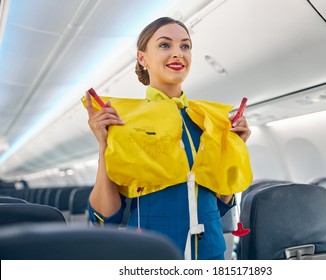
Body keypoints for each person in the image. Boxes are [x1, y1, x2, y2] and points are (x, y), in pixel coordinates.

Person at [84, 17, 252, 260]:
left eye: (185, 46)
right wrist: (104, 145)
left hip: (210, 253)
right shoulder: (125, 121)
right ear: (142, 58)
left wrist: (234, 147)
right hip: (152, 255)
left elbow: (219, 204)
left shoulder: (208, 120)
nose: (178, 54)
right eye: (165, 45)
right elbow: (105, 217)